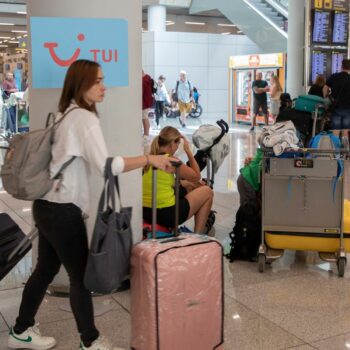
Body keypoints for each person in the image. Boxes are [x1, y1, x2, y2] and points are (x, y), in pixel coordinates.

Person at [8, 59, 174, 350]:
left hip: (46, 206)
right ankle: (91, 341)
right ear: (81, 83)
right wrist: (151, 159)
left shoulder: (65, 113)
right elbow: (107, 165)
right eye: (97, 81)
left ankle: (21, 330)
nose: (103, 86)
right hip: (62, 210)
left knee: (45, 270)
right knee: (80, 277)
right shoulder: (84, 119)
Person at [143, 126, 214, 234]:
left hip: (147, 212)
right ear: (172, 144)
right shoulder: (171, 160)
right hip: (166, 214)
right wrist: (188, 151)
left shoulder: (151, 157)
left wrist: (186, 183)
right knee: (208, 192)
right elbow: (196, 176)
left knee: (190, 185)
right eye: (178, 144)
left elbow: (163, 182)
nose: (177, 147)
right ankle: (198, 236)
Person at [323, 59, 350, 137]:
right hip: (348, 109)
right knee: (346, 131)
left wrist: (326, 96)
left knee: (336, 131)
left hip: (336, 108)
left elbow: (325, 88)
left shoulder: (334, 76)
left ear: (341, 66)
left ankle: (335, 148)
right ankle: (345, 148)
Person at [142, 70, 154, 141]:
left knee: (144, 118)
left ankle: (146, 135)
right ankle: (146, 134)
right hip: (146, 102)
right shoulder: (147, 78)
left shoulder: (144, 80)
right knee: (144, 118)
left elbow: (141, 91)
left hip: (145, 102)